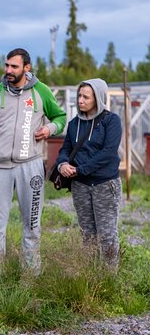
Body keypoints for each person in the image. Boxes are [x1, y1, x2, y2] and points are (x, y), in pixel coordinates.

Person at [0, 48, 67, 276]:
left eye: (14, 66)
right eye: (7, 65)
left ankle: (31, 273)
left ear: (27, 68)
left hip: (31, 167)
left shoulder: (41, 91)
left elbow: (61, 117)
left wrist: (50, 128)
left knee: (32, 225)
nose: (8, 70)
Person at [55, 79, 122, 271]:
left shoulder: (111, 121)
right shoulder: (74, 124)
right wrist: (63, 164)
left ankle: (109, 279)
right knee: (88, 234)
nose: (80, 100)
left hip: (104, 185)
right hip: (80, 186)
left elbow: (108, 153)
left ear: (98, 98)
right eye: (79, 96)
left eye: (86, 97)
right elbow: (65, 149)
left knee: (107, 234)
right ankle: (91, 276)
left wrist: (80, 169)